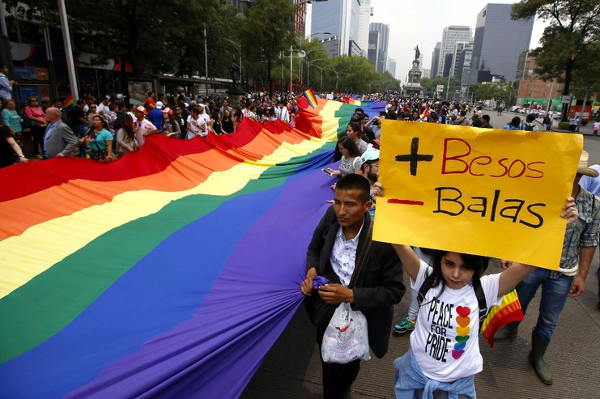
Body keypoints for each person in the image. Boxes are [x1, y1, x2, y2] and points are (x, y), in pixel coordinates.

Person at [495, 151, 600, 385]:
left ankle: (538, 355)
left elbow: (589, 241)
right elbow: (518, 225)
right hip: (531, 265)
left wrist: (582, 275)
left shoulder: (592, 204)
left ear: (578, 176)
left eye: (572, 174)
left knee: (549, 318)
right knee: (518, 301)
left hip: (563, 272)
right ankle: (511, 329)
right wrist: (510, 253)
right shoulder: (538, 197)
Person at [300, 174, 405, 399]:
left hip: (361, 319)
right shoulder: (330, 217)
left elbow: (394, 291)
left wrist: (350, 295)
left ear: (367, 206)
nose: (341, 211)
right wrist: (312, 271)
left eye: (350, 204)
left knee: (349, 364)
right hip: (326, 313)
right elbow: (314, 249)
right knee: (327, 360)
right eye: (337, 202)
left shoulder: (382, 241)